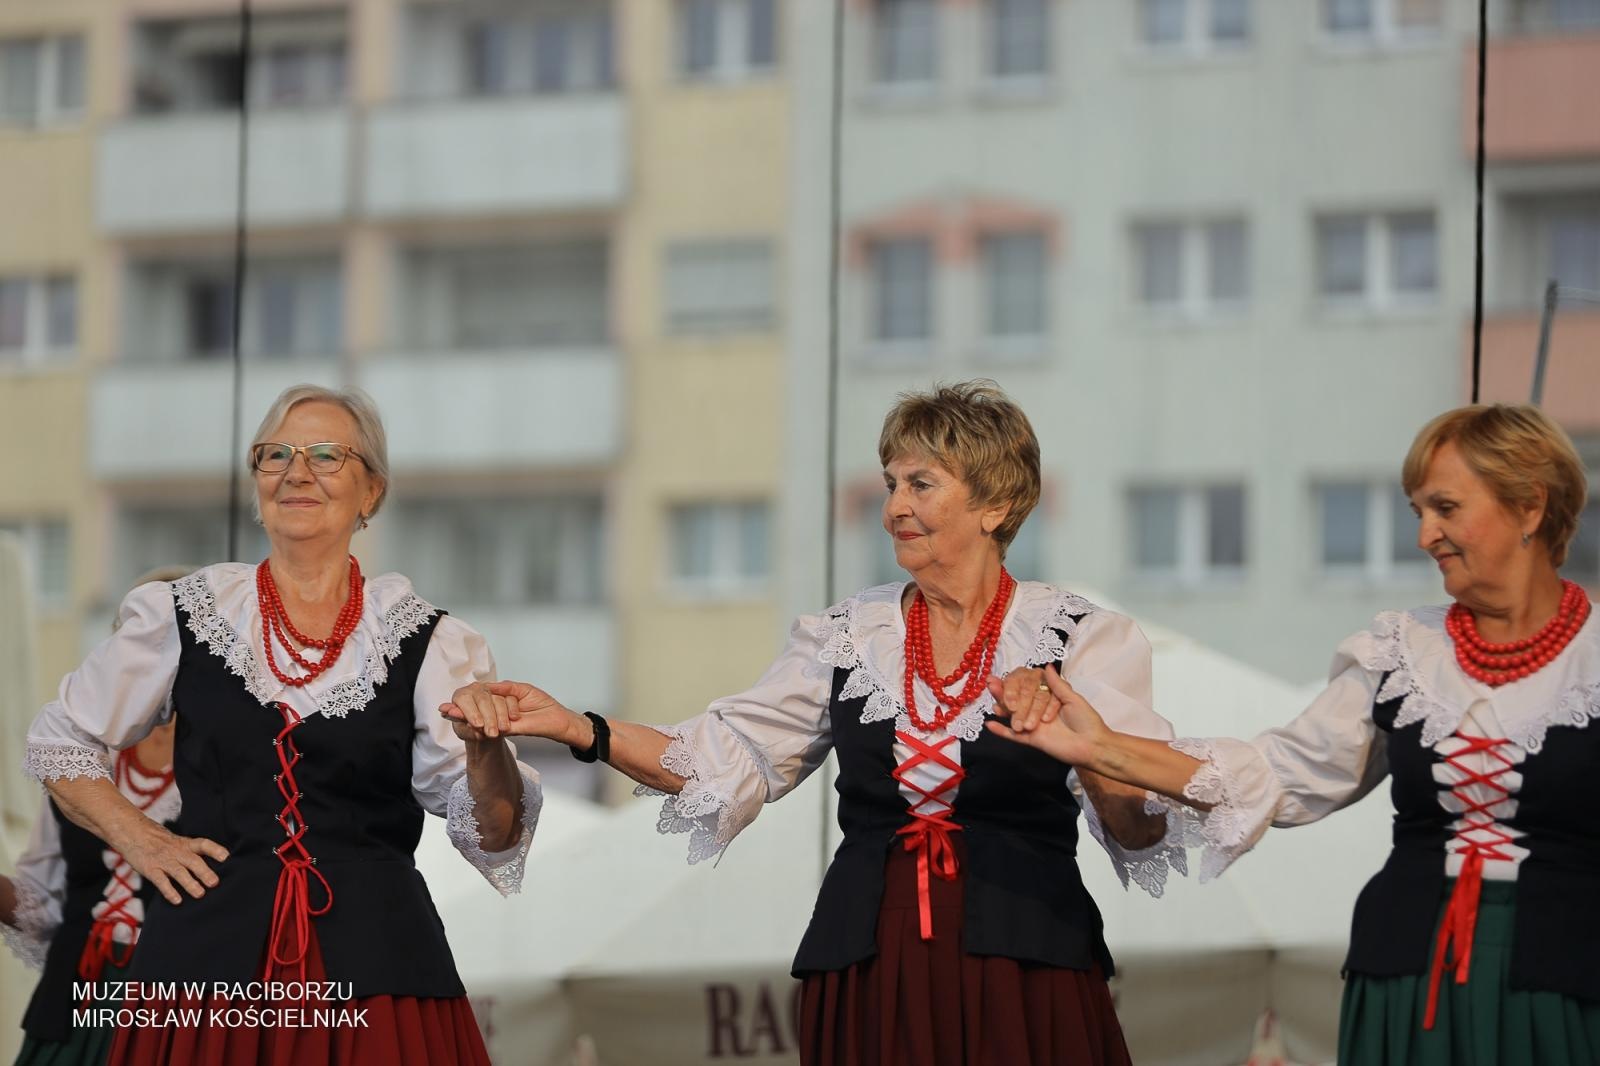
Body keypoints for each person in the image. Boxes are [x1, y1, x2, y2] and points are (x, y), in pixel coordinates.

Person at [445, 380, 1180, 1066]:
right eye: (891, 483)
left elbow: (1139, 829)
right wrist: (583, 729)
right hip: (870, 959)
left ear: (995, 504)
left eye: (920, 484)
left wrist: (1086, 746)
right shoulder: (847, 636)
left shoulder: (1081, 639)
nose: (894, 506)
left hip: (1027, 963)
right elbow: (721, 757)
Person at [988, 403, 1600, 1065]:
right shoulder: (1402, 650)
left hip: (1565, 975)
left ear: (1531, 507)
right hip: (1410, 972)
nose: (1426, 535)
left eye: (1446, 508)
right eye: (1417, 510)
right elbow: (1275, 775)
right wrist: (1102, 748)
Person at [23, 385, 541, 1065]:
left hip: (377, 970)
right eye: (276, 456)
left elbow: (495, 832)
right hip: (205, 968)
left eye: (327, 455)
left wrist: (486, 751)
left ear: (371, 492)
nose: (298, 472)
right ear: (258, 481)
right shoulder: (183, 615)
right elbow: (60, 739)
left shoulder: (429, 641)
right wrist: (141, 838)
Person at [3, 563, 187, 1066]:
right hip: (74, 1006)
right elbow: (41, 903)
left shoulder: (233, 772)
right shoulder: (77, 762)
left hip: (180, 1015)